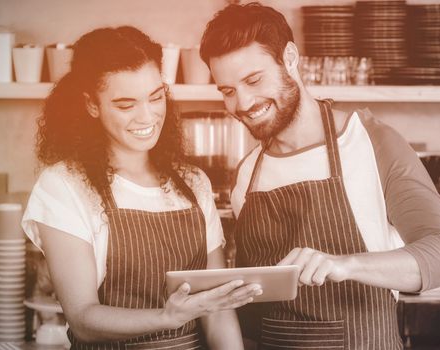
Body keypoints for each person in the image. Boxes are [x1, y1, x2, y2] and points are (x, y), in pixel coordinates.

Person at [199, 3, 440, 348]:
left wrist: (346, 265)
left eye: (254, 80)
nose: (243, 103)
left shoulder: (371, 142)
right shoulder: (248, 173)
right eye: (227, 90)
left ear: (291, 58)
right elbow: (252, 311)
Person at [21, 26, 262, 349]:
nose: (147, 115)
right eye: (125, 105)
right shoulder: (65, 185)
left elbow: (217, 311)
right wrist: (167, 317)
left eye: (156, 97)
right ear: (92, 105)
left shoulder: (192, 184)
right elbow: (83, 318)